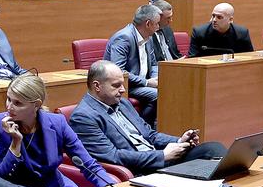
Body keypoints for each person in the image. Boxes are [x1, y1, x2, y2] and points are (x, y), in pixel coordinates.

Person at [69, 60, 225, 176]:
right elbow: (113, 156)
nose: (123, 90)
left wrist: (178, 141)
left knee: (214, 150)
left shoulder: (123, 103)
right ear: (97, 86)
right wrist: (162, 155)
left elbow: (150, 135)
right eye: (116, 85)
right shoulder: (83, 117)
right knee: (210, 164)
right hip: (143, 171)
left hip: (159, 158)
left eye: (123, 84)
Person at [0, 73, 116, 187]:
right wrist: (16, 143)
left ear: (36, 105)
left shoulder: (57, 122)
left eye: (18, 103)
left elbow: (87, 163)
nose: (9, 107)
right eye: (8, 99)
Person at [104, 3, 166, 121]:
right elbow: (118, 72)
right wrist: (147, 82)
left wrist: (156, 79)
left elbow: (153, 63)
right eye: (157, 23)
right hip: (126, 85)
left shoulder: (149, 36)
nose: (158, 27)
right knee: (160, 94)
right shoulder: (123, 38)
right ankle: (141, 127)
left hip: (142, 84)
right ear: (148, 24)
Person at [189, 2, 253, 57]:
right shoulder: (199, 32)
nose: (214, 20)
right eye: (213, 16)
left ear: (230, 20)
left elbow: (249, 57)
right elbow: (192, 59)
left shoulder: (241, 33)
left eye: (219, 17)